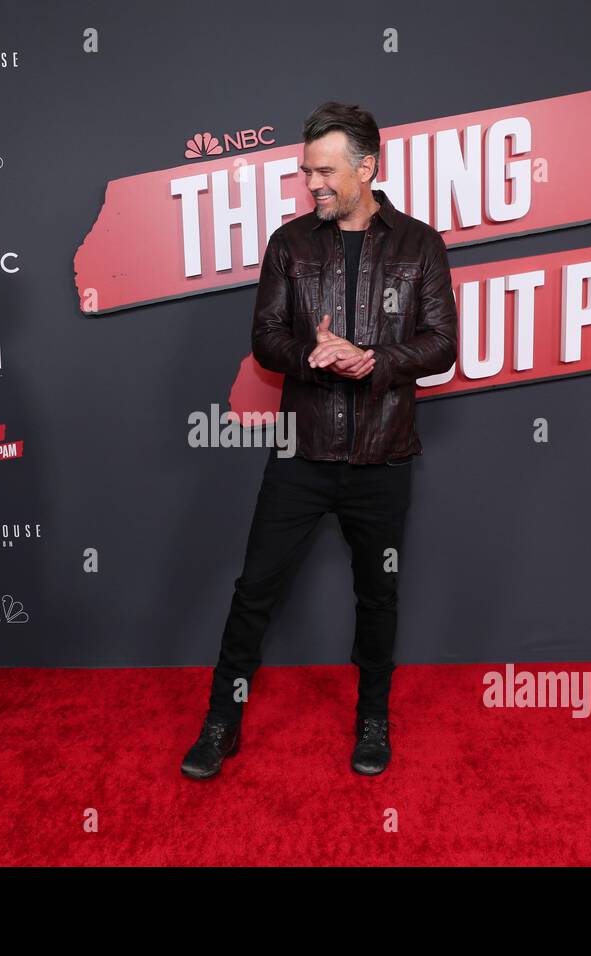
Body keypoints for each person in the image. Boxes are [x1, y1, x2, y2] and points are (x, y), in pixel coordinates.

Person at [181, 102, 458, 779]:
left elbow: (443, 343)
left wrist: (375, 360)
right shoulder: (289, 243)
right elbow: (265, 341)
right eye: (308, 171)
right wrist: (317, 354)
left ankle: (372, 719)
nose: (313, 184)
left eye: (325, 171)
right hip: (302, 453)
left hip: (384, 456)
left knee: (378, 595)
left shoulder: (420, 245)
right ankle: (222, 721)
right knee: (254, 592)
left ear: (367, 168)